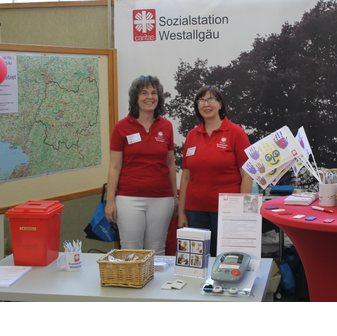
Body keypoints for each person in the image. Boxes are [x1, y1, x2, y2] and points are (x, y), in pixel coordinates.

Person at [105, 75, 177, 255]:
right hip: (129, 199)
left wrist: (174, 196)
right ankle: (132, 283)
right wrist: (110, 201)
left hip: (162, 199)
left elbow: (170, 165)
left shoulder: (166, 126)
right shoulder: (121, 127)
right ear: (135, 98)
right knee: (130, 251)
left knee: (157, 251)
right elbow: (114, 167)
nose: (149, 97)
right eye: (144, 92)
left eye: (154, 92)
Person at [177, 85, 252, 256]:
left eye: (211, 99)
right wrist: (182, 212)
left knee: (227, 258)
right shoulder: (192, 136)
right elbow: (186, 177)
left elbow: (247, 174)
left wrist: (242, 210)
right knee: (199, 259)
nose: (206, 104)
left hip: (227, 210)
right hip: (195, 210)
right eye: (201, 100)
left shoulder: (236, 133)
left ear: (220, 104)